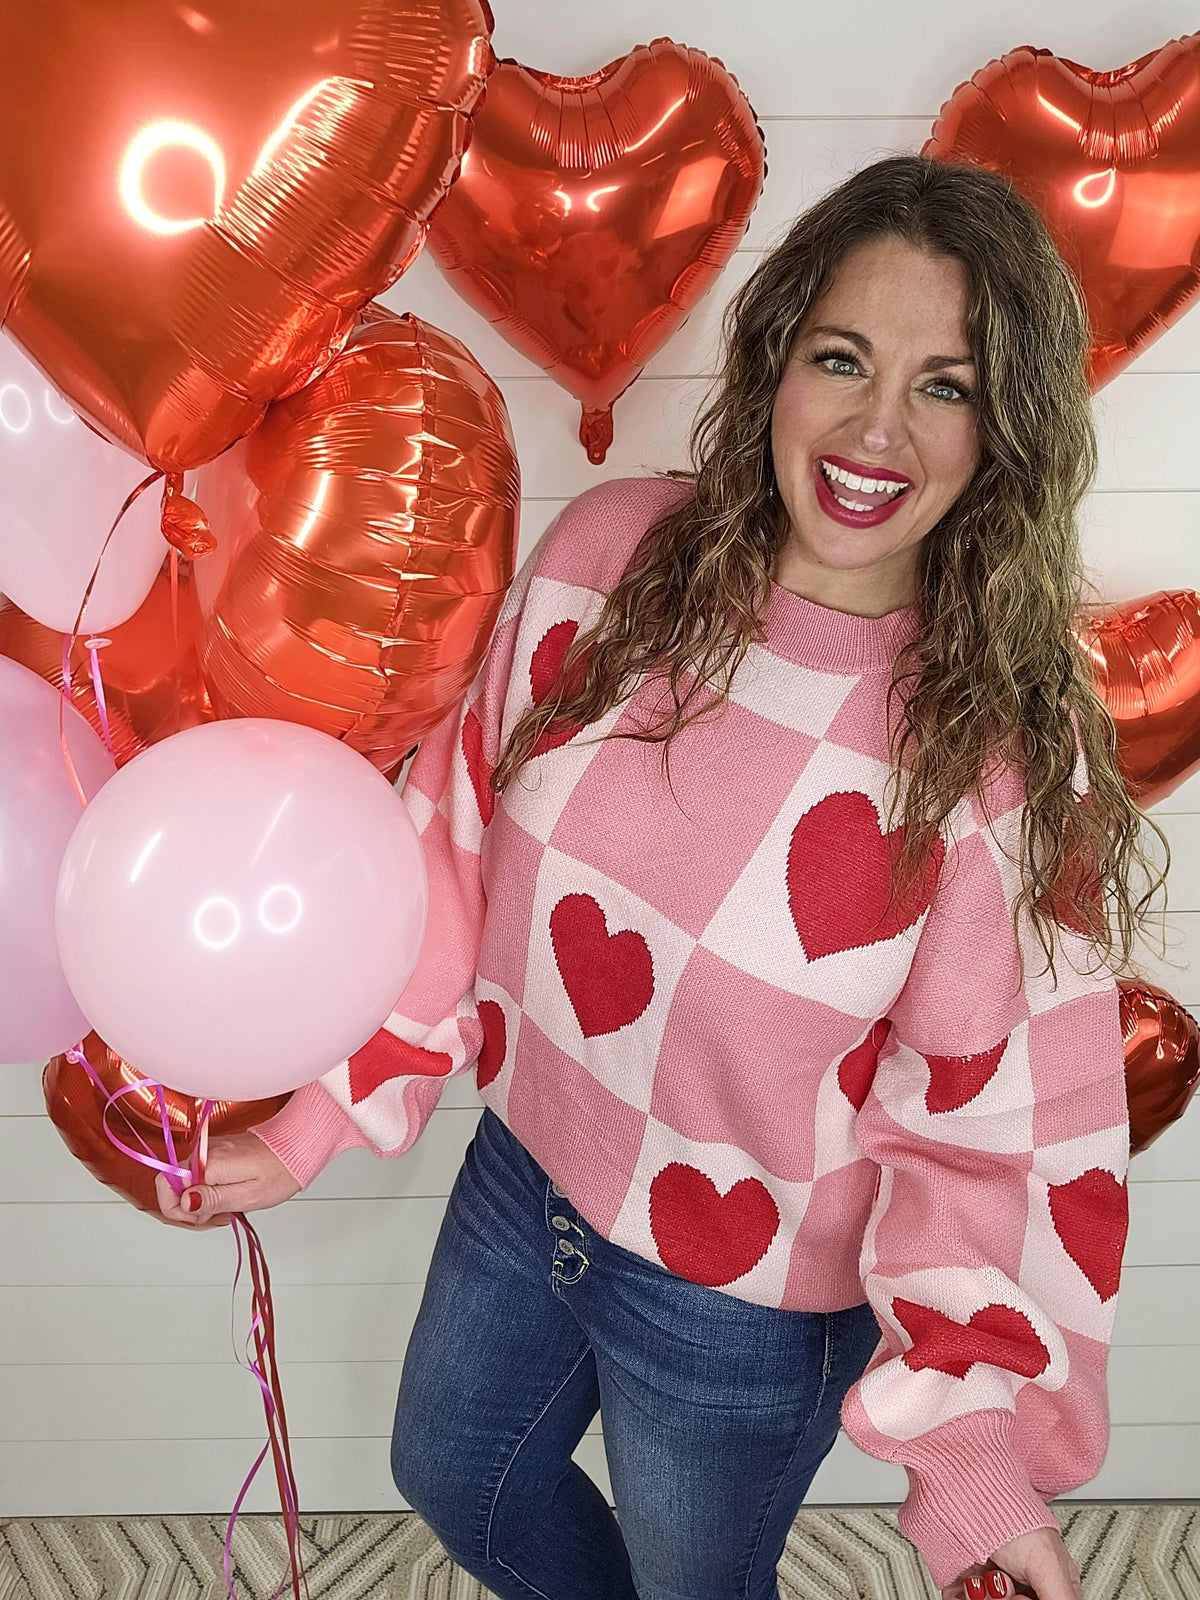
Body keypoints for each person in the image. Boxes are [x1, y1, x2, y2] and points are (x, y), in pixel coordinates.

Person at [158, 154, 1167, 1600]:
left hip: (741, 1304)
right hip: (523, 1179)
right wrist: (307, 1125)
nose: (875, 427)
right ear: (777, 363)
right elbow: (453, 852)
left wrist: (970, 1464)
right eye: (842, 358)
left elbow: (991, 1129)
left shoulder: (1002, 746)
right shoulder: (608, 554)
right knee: (453, 1477)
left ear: (1002, 429)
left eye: (943, 385)